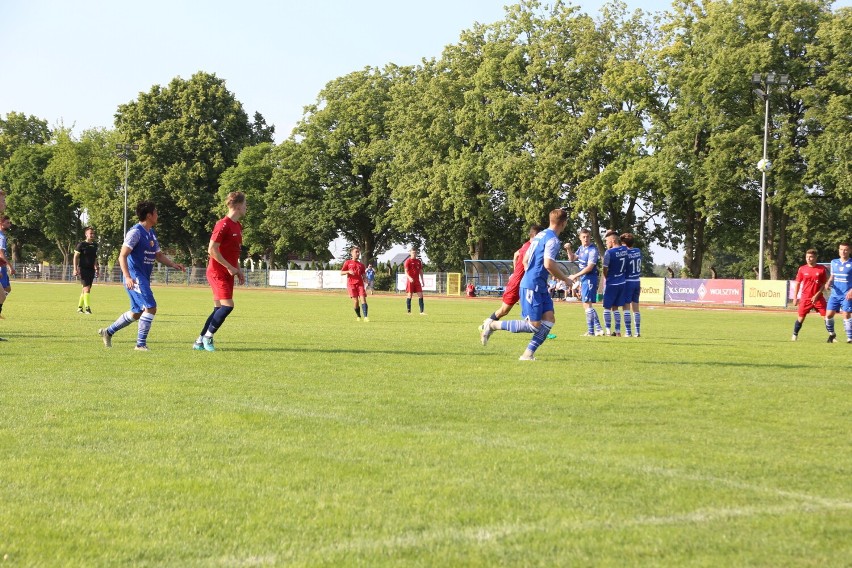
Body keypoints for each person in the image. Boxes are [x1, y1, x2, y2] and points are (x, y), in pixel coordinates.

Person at [481, 209, 573, 360]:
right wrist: (565, 279)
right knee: (533, 325)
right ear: (564, 223)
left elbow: (525, 259)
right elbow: (549, 264)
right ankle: (492, 325)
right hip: (533, 285)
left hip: (538, 284)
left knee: (549, 319)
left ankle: (527, 355)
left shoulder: (539, 236)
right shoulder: (553, 240)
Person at [98, 200, 185, 351]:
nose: (158, 215)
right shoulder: (135, 232)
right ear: (149, 215)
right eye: (156, 212)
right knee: (151, 307)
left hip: (142, 277)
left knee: (137, 312)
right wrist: (127, 276)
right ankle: (140, 344)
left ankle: (108, 332)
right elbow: (122, 256)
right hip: (135, 277)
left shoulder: (151, 233)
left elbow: (158, 255)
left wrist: (173, 264)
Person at [193, 192, 246, 352]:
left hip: (228, 272)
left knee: (218, 309)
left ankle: (199, 341)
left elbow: (233, 252)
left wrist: (238, 269)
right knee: (228, 306)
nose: (246, 207)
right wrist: (229, 267)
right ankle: (208, 337)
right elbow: (212, 250)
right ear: (237, 206)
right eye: (245, 204)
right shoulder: (222, 224)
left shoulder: (238, 226)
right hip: (217, 272)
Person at [479, 224, 543, 338]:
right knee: (503, 310)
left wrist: (515, 271)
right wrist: (517, 274)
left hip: (523, 282)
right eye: (540, 236)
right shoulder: (530, 247)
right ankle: (486, 325)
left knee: (539, 307)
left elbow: (516, 254)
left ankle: (541, 330)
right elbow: (524, 260)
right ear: (534, 235)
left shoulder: (527, 245)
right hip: (517, 283)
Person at [564, 228, 603, 336]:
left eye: (588, 237)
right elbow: (572, 259)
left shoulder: (592, 250)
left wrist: (575, 276)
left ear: (590, 237)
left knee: (587, 304)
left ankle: (592, 331)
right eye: (584, 237)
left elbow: (590, 267)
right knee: (586, 305)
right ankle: (598, 329)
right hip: (585, 279)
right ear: (580, 238)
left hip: (590, 278)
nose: (586, 239)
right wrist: (568, 249)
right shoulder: (581, 248)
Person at [791, 249, 829, 341]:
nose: (808, 259)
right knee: (801, 317)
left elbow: (824, 284)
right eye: (807, 257)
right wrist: (795, 297)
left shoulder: (821, 269)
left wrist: (817, 295)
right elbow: (798, 283)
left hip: (818, 298)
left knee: (827, 317)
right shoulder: (802, 269)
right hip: (805, 297)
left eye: (811, 257)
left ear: (816, 257)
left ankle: (832, 336)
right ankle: (794, 335)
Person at [601, 229, 629, 336]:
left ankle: (607, 330)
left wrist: (606, 277)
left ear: (612, 240)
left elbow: (605, 268)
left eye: (607, 241)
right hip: (621, 282)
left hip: (611, 283)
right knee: (616, 307)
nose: (606, 243)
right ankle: (617, 331)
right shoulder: (625, 250)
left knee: (607, 307)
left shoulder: (609, 252)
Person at [824, 241, 852, 344]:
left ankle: (850, 338)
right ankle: (832, 334)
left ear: (850, 251)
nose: (843, 251)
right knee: (828, 316)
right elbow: (832, 276)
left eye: (845, 249)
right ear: (838, 250)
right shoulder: (834, 262)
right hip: (835, 294)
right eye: (841, 249)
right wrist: (828, 283)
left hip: (847, 295)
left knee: (846, 315)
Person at [73, 227, 100, 314]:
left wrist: (96, 268)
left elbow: (95, 258)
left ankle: (80, 308)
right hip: (83, 269)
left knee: (85, 290)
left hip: (91, 270)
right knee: (86, 289)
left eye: (93, 233)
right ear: (86, 234)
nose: (92, 235)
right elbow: (75, 257)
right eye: (90, 233)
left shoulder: (95, 245)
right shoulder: (81, 245)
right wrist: (75, 269)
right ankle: (88, 309)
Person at [621, 233, 642, 337]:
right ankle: (637, 331)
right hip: (637, 280)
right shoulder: (638, 251)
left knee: (626, 307)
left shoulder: (625, 253)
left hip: (628, 281)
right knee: (636, 308)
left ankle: (628, 331)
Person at [341, 245, 369, 322]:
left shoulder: (361, 265)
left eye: (358, 252)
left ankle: (366, 317)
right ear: (351, 253)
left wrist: (366, 279)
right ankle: (358, 315)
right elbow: (341, 272)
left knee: (363, 299)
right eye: (356, 252)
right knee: (356, 301)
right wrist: (348, 271)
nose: (357, 253)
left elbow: (363, 275)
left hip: (360, 284)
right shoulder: (348, 262)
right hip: (351, 284)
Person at [404, 247, 426, 315]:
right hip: (410, 281)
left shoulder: (418, 261)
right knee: (410, 295)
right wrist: (409, 278)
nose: (414, 254)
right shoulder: (407, 261)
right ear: (410, 253)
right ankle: (409, 312)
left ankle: (422, 312)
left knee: (421, 295)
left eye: (415, 252)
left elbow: (421, 271)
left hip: (417, 281)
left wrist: (422, 280)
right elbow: (406, 272)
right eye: (413, 252)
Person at [0, 216, 14, 319]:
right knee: (3, 293)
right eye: (7, 223)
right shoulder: (1, 236)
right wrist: (10, 266)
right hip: (1, 266)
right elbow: (1, 254)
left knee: (7, 289)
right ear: (1, 223)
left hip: (2, 266)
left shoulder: (3, 235)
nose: (9, 224)